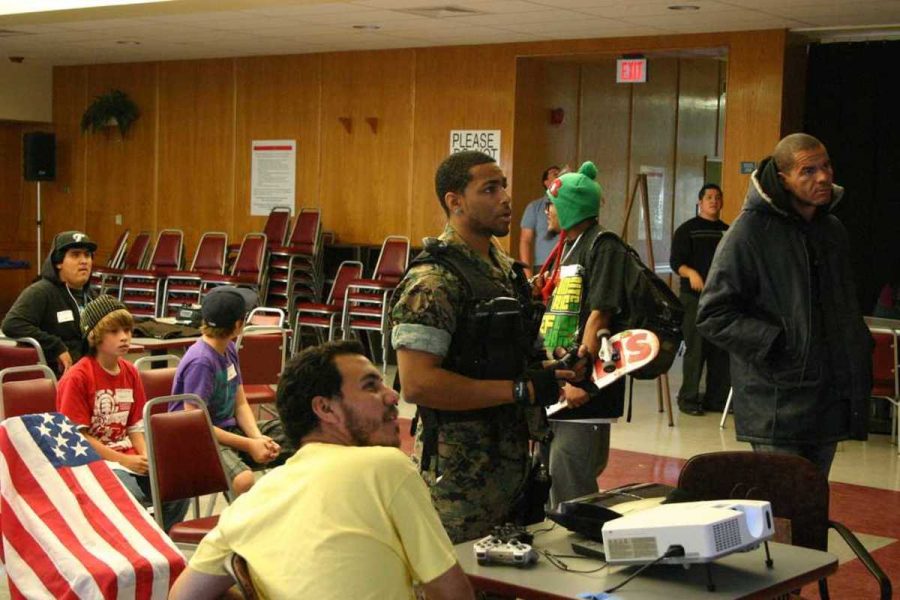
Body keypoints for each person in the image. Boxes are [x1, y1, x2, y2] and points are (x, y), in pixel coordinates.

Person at [169, 341, 474, 600]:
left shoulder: (247, 506)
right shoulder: (387, 467)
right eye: (371, 386)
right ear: (325, 409)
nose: (393, 396)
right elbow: (453, 595)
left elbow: (181, 596)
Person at [390, 151, 571, 543]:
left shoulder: (504, 270)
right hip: (459, 477)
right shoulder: (434, 281)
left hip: (513, 463)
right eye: (489, 189)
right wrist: (518, 390)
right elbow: (417, 384)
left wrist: (556, 367)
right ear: (455, 202)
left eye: (503, 186)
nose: (505, 197)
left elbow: (520, 350)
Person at [697, 133, 873, 477]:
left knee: (812, 507)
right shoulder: (748, 232)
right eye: (807, 171)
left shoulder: (832, 230)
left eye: (826, 166)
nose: (822, 177)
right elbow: (713, 313)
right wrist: (778, 344)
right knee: (785, 513)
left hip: (827, 398)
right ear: (782, 180)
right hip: (776, 401)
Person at [56, 295, 188, 531]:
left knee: (177, 487)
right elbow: (79, 438)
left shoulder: (130, 371)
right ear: (95, 336)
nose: (124, 337)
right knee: (131, 497)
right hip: (91, 461)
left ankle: (160, 542)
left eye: (127, 330)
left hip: (125, 454)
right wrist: (125, 460)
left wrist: (147, 457)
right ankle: (140, 546)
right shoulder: (78, 376)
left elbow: (135, 425)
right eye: (114, 331)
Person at [542, 161, 628, 506]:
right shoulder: (569, 245)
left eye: (553, 203)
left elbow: (600, 313)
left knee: (570, 471)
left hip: (586, 380)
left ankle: (577, 543)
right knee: (549, 472)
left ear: (571, 207)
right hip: (562, 375)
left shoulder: (603, 245)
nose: (547, 210)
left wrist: (581, 381)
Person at [170, 285, 292, 496]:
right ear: (238, 325)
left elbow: (240, 403)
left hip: (229, 430)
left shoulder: (230, 348)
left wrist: (256, 438)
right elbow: (195, 425)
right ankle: (240, 527)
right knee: (244, 480)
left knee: (302, 433)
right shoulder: (201, 361)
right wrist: (249, 445)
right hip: (199, 439)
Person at [670, 184, 730, 416]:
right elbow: (677, 263)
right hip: (694, 298)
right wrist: (691, 273)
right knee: (696, 349)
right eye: (708, 197)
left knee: (720, 350)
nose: (713, 201)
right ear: (700, 202)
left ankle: (716, 399)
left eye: (717, 197)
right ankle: (689, 398)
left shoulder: (727, 231)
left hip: (721, 298)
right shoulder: (687, 230)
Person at [2, 231, 97, 375]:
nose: (84, 261)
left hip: (90, 371)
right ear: (58, 262)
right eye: (75, 255)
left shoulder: (92, 296)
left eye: (87, 255)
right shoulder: (41, 291)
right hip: (54, 374)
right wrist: (56, 346)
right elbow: (12, 324)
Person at [519, 165, 561, 276]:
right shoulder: (534, 207)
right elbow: (525, 241)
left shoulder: (571, 205)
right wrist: (527, 272)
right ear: (546, 183)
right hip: (543, 266)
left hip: (567, 264)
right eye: (555, 174)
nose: (560, 176)